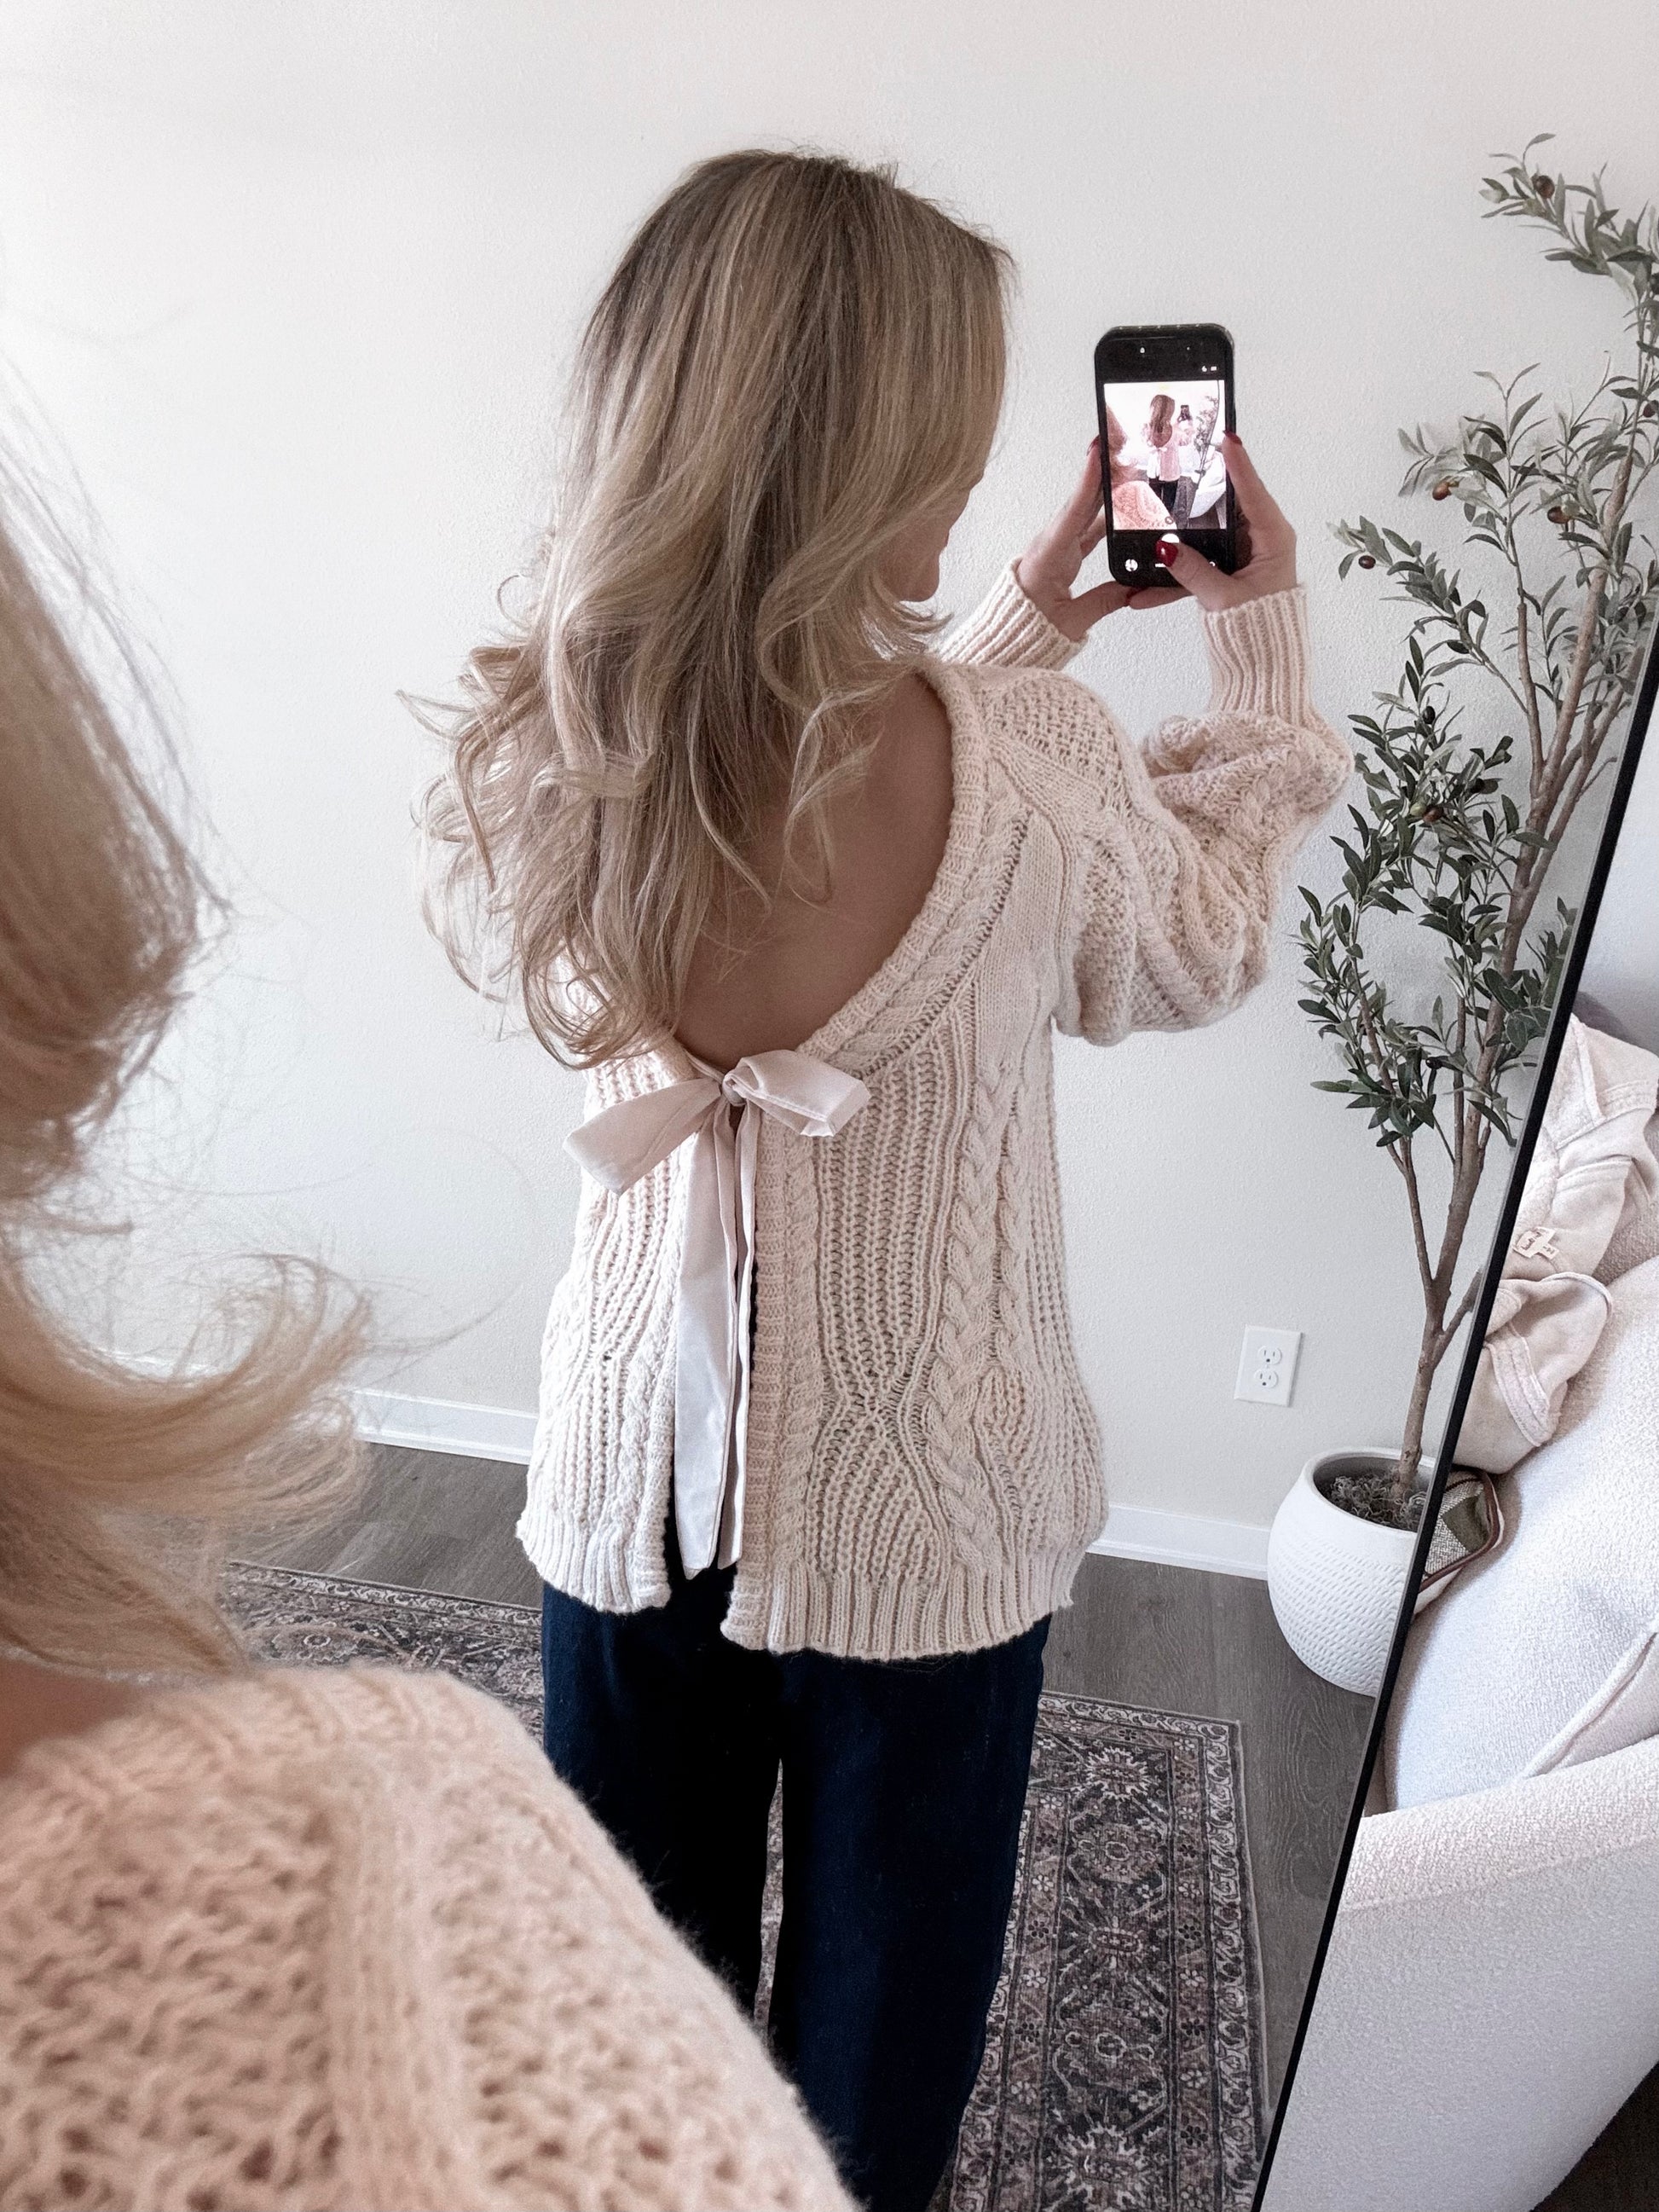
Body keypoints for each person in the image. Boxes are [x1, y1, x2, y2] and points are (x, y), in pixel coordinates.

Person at [419, 148, 1350, 2212]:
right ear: (872, 463)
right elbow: (1192, 937)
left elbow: (817, 739)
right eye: (946, 442)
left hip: (629, 1483)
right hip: (930, 1501)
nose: (964, 489)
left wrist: (1034, 616)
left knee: (629, 1981)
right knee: (883, 2009)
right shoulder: (1032, 772)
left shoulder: (561, 740)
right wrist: (1253, 641)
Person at [0, 445, 852, 2212]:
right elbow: (1169, 951)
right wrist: (1191, 640)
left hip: (661, 1436)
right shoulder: (395, 1889)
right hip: (754, 1451)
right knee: (867, 1915)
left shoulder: (556, 736)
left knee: (666, 1841)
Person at [1105, 401, 1176, 528]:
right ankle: (1165, 518)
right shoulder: (1147, 428)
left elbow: (1183, 441)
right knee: (1155, 497)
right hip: (1157, 470)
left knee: (1166, 501)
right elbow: (1146, 442)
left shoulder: (1175, 429)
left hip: (1170, 471)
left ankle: (1166, 518)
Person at [1143, 388, 1182, 512]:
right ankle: (1166, 517)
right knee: (1168, 504)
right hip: (1170, 472)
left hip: (1154, 472)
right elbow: (1184, 442)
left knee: (1154, 502)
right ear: (1170, 412)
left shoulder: (1147, 428)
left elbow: (1145, 442)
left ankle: (1157, 517)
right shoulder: (1176, 430)